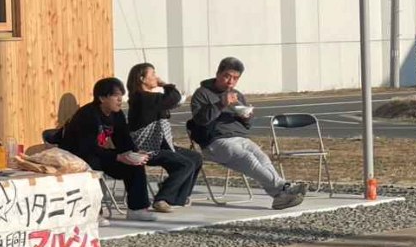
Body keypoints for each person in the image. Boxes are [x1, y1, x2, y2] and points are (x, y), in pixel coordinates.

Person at [190, 57, 306, 210]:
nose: (230, 81)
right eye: (227, 76)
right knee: (248, 159)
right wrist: (221, 104)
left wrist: (246, 116)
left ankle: (279, 196)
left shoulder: (236, 95)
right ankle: (283, 187)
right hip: (215, 141)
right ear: (218, 74)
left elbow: (248, 125)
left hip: (240, 137)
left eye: (235, 78)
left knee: (262, 157)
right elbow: (200, 120)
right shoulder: (202, 93)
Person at [59, 78, 157, 222]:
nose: (120, 99)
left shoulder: (117, 114)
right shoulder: (87, 115)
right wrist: (118, 157)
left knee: (135, 164)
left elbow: (123, 139)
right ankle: (94, 213)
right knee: (93, 166)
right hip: (76, 157)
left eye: (121, 95)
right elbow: (87, 147)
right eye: (115, 95)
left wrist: (134, 153)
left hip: (98, 153)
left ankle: (137, 209)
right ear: (102, 98)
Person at [126, 63, 203, 211]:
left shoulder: (150, 98)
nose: (156, 77)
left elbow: (170, 102)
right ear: (142, 79)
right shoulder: (143, 98)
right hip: (146, 148)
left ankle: (178, 195)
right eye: (153, 74)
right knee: (185, 164)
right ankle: (162, 198)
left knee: (195, 158)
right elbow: (174, 98)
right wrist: (166, 85)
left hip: (162, 144)